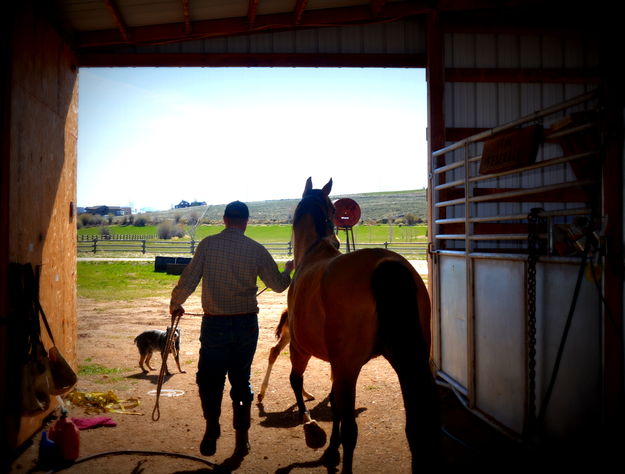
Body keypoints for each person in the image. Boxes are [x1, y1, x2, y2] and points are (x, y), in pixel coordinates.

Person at [169, 200, 294, 457]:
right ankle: (242, 437)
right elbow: (280, 285)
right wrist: (288, 269)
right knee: (241, 379)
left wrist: (176, 303)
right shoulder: (256, 249)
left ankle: (212, 427)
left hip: (215, 324)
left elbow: (189, 278)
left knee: (209, 379)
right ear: (245, 222)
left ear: (225, 219)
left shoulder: (208, 245)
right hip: (246, 324)